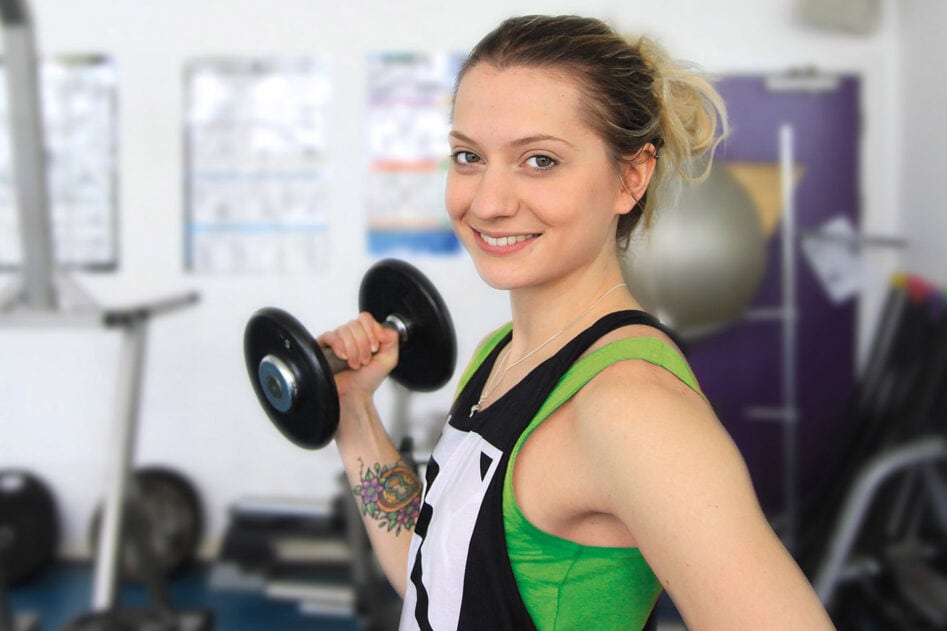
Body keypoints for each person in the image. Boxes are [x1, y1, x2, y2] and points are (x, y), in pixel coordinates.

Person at [319, 14, 835, 631]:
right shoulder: (500, 355)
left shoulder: (630, 409)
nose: (486, 202)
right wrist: (353, 416)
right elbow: (437, 576)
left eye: (539, 160)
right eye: (469, 156)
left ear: (630, 177)